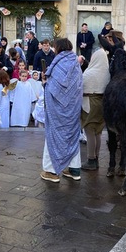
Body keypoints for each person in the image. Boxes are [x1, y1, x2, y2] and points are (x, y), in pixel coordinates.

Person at [40, 38, 84, 183]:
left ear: (58, 48)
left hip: (57, 110)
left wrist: (45, 83)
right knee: (72, 136)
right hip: (73, 108)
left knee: (53, 136)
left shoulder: (58, 63)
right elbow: (77, 86)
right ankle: (74, 170)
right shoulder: (76, 63)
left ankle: (51, 171)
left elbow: (54, 88)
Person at [80, 49, 110, 171]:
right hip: (102, 102)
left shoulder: (89, 73)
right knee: (98, 131)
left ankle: (91, 159)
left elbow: (80, 86)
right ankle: (96, 158)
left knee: (89, 130)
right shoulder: (107, 73)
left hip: (89, 102)